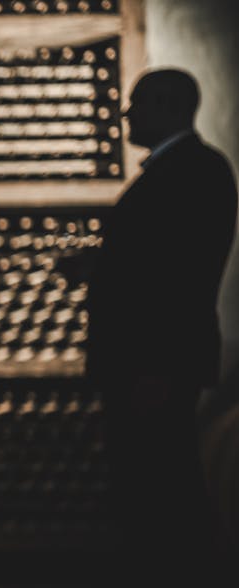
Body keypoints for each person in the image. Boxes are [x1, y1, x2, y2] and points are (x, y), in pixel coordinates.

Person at [85, 68, 238, 585]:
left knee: (161, 490)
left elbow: (178, 282)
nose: (126, 114)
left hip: (152, 368)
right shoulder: (187, 170)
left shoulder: (194, 172)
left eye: (137, 104)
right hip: (149, 365)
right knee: (157, 485)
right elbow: (151, 267)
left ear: (169, 106)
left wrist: (156, 369)